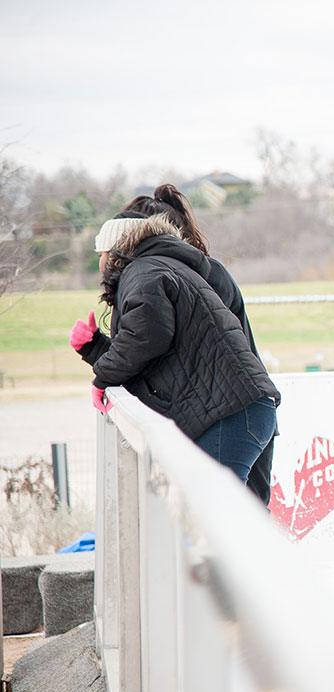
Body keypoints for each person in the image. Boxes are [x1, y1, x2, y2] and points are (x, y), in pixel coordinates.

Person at [71, 186, 277, 506]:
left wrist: (103, 376)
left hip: (230, 411)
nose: (100, 264)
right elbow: (164, 357)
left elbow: (151, 342)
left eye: (102, 254)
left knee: (224, 521)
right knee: (227, 523)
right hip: (232, 410)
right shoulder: (164, 271)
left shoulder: (157, 273)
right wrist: (97, 350)